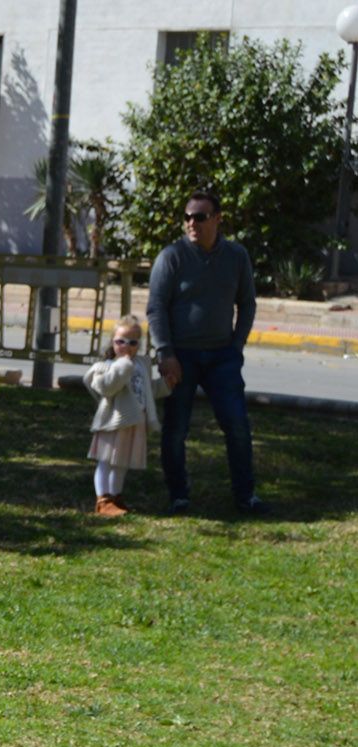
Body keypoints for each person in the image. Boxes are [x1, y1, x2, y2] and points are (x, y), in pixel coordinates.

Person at [147, 190, 265, 515]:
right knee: (176, 429)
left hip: (222, 357)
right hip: (180, 356)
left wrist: (237, 345)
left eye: (199, 217)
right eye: (187, 217)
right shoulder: (171, 257)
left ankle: (246, 496)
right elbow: (156, 308)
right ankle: (179, 496)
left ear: (217, 219)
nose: (191, 223)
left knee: (237, 426)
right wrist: (165, 352)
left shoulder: (236, 256)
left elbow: (248, 303)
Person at [83, 316, 170, 517]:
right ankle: (103, 500)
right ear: (112, 342)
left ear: (138, 345)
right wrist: (122, 367)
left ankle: (116, 496)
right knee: (106, 461)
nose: (126, 346)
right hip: (113, 422)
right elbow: (106, 388)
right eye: (120, 341)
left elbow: (147, 391)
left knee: (122, 463)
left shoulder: (141, 364)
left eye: (132, 342)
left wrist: (166, 385)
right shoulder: (106, 366)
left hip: (134, 422)